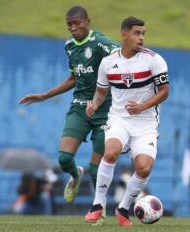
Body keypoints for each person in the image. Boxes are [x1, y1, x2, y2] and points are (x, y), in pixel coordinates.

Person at [19, 5, 118, 222]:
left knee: (96, 169)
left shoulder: (101, 43)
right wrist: (45, 95)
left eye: (77, 23)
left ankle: (98, 212)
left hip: (106, 111)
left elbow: (123, 58)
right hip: (79, 107)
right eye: (69, 25)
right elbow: (73, 78)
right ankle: (75, 175)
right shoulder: (70, 46)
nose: (73, 28)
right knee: (64, 159)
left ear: (88, 22)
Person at [84, 16, 169, 228]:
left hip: (146, 122)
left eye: (143, 34)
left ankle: (123, 208)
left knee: (144, 168)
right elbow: (102, 92)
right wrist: (94, 104)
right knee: (110, 151)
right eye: (136, 33)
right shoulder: (108, 63)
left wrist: (142, 106)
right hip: (119, 118)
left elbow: (165, 92)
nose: (141, 38)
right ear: (124, 34)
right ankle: (97, 205)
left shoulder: (154, 60)